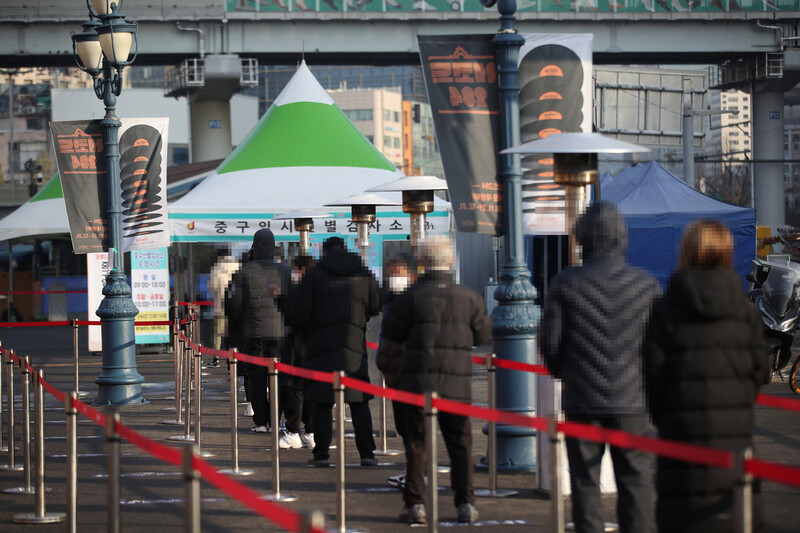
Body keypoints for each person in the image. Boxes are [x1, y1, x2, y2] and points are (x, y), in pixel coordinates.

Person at [539, 202, 660, 533]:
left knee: (585, 483)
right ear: (622, 237)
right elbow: (656, 350)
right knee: (636, 483)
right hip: (633, 402)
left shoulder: (565, 282)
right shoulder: (646, 285)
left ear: (583, 238)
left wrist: (568, 373)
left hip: (582, 400)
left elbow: (549, 344)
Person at [643, 220, 767, 533]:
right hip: (734, 443)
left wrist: (666, 416)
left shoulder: (664, 310)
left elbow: (653, 379)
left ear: (685, 252)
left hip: (680, 444)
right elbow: (759, 373)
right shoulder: (746, 312)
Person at [380, 236, 493, 524]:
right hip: (457, 383)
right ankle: (465, 503)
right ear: (451, 261)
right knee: (460, 444)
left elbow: (392, 332)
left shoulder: (411, 297)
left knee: (417, 444)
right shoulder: (469, 297)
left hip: (417, 381)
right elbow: (482, 336)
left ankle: (415, 503)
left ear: (422, 263)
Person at [294, 236, 381, 466]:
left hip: (321, 346)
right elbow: (376, 304)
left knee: (322, 402)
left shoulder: (314, 275)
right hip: (354, 345)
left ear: (324, 252)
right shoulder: (363, 274)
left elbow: (300, 312)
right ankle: (367, 454)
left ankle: (322, 453)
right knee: (359, 401)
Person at [226, 228, 291, 433]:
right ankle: (276, 420)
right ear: (273, 246)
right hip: (280, 333)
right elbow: (293, 302)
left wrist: (239, 326)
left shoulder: (243, 272)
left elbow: (233, 305)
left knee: (256, 377)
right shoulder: (285, 271)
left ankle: (261, 421)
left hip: (253, 332)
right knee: (279, 377)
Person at [377, 252, 418, 490]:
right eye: (391, 273)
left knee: (414, 427)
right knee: (403, 426)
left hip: (412, 371)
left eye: (399, 273)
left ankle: (415, 473)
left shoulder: (416, 299)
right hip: (394, 372)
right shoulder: (390, 299)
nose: (394, 278)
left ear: (411, 275)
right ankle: (411, 469)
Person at [278, 254, 317, 450]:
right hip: (316, 347)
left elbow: (293, 317)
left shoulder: (301, 290)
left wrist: (280, 300)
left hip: (298, 347)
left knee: (293, 389)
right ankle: (310, 432)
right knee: (310, 390)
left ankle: (292, 431)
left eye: (295, 270)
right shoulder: (321, 288)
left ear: (302, 269)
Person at [207, 248, 240, 368]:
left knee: (218, 333)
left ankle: (216, 359)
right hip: (235, 306)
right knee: (233, 333)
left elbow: (212, 286)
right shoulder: (238, 266)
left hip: (220, 306)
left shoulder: (216, 268)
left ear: (220, 257)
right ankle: (233, 359)